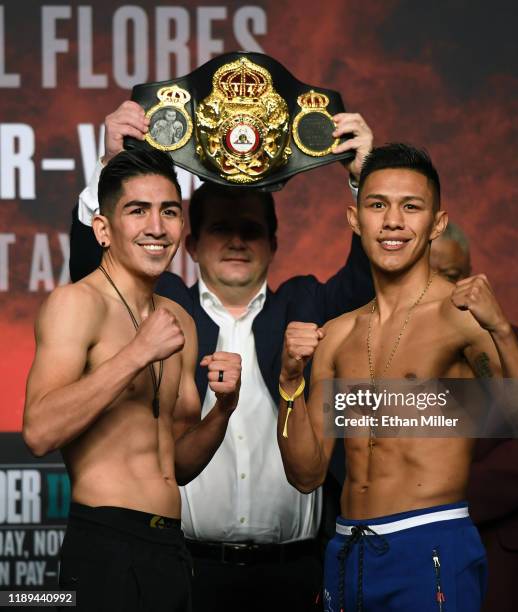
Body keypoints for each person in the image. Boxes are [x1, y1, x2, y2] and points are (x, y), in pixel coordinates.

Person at [68, 101, 375, 611]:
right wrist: (109, 166)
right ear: (189, 243)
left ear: (274, 243)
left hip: (295, 574)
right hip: (188, 569)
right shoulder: (166, 306)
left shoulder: (308, 304)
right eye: (220, 229)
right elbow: (91, 278)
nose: (236, 241)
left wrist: (363, 179)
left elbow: (369, 284)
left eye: (250, 229)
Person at [277, 143, 518, 611]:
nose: (393, 222)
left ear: (436, 223)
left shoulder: (460, 315)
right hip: (346, 550)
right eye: (377, 205)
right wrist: (289, 383)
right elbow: (306, 475)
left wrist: (501, 329)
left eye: (411, 207)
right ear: (354, 218)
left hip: (430, 543)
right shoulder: (339, 335)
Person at [24, 149, 241, 611]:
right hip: (104, 543)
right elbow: (39, 432)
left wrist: (222, 411)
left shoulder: (178, 319)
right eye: (136, 211)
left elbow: (177, 464)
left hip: (169, 547)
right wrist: (137, 353)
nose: (156, 227)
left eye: (169, 211)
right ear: (103, 228)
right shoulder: (77, 305)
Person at [431, 222, 518, 612]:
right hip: (407, 565)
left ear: (472, 279)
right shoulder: (379, 350)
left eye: (452, 276)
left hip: (501, 566)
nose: (442, 288)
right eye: (429, 275)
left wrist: (430, 502)